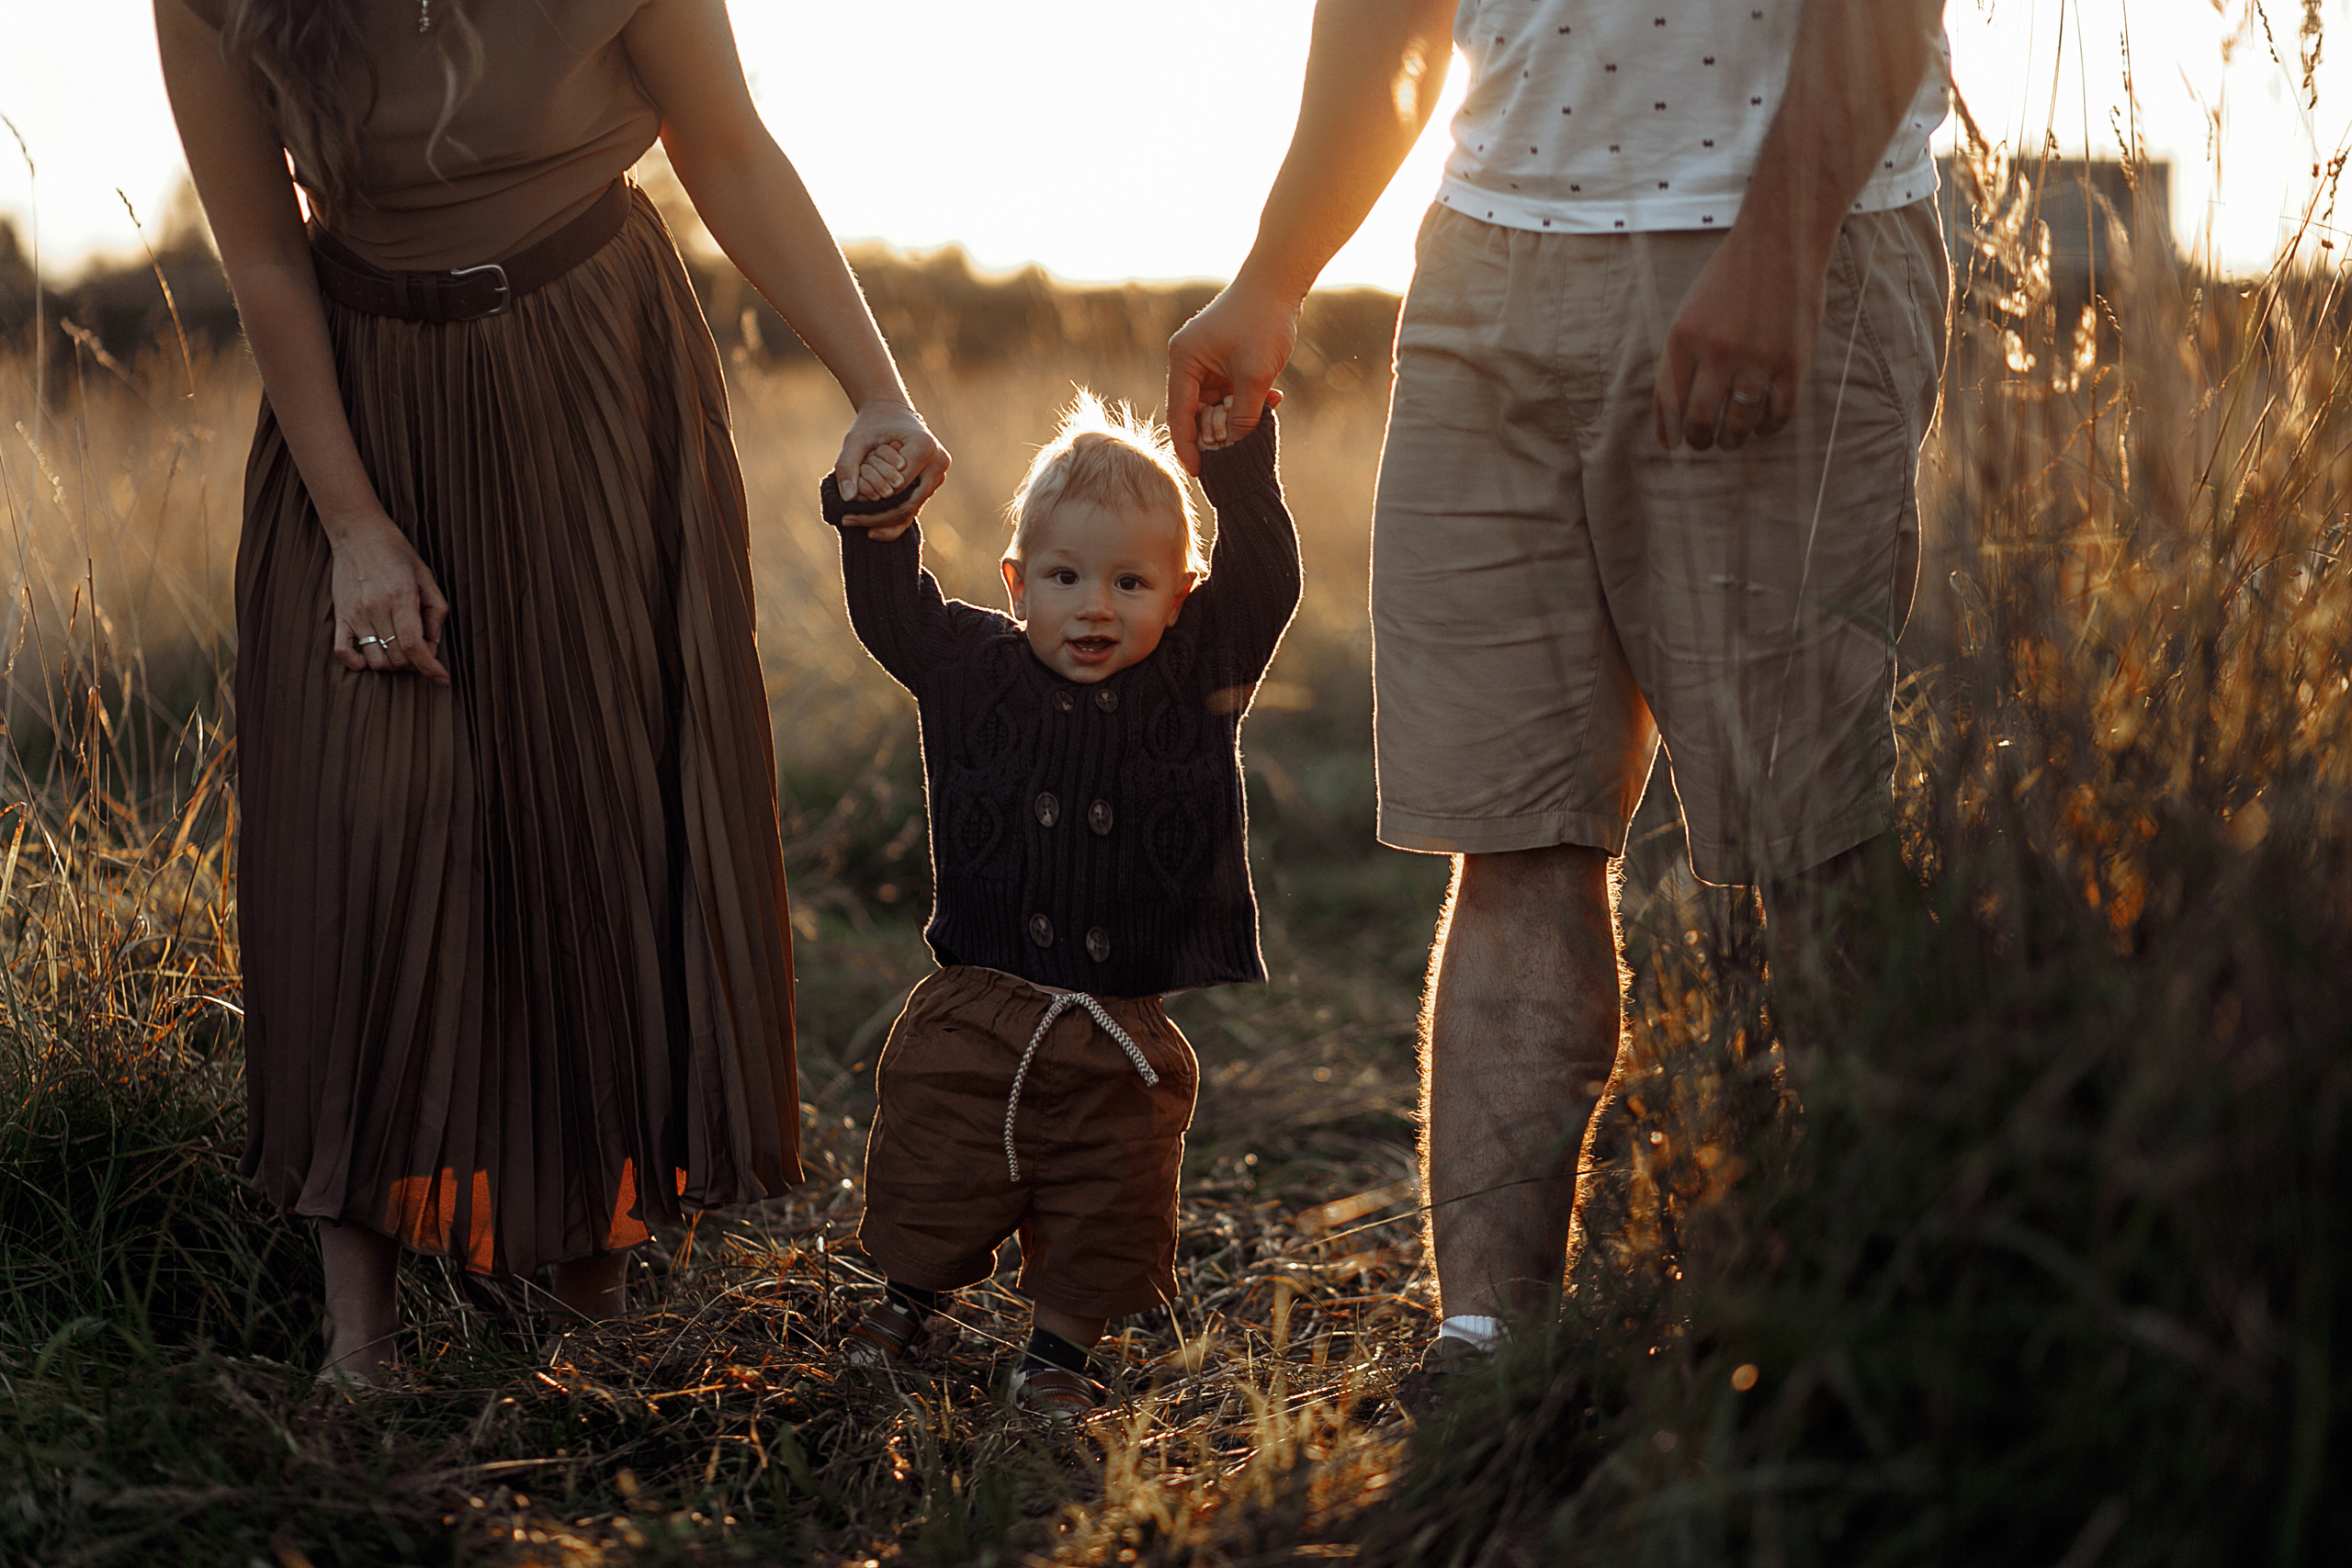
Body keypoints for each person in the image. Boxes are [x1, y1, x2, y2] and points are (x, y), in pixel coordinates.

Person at [1167, 0, 1951, 1406]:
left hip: (1780, 236)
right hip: (1487, 263)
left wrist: (1777, 252)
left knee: (1803, 835)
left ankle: (1849, 1316)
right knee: (1511, 827)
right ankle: (1487, 1349)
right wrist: (1275, 270)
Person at [154, 0, 950, 1384]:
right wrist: (353, 527)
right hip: (360, 400)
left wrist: (877, 386)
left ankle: (594, 1320)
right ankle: (361, 1344)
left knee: (593, 801)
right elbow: (266, 259)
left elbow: (728, 148)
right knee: (361, 833)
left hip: (592, 368)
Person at [820, 393, 1300, 1419]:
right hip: (977, 1002)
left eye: (1132, 583)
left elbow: (1266, 577)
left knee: (1110, 1197)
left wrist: (1238, 465)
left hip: (1120, 1023)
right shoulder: (970, 670)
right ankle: (907, 1299)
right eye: (1065, 577)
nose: (1095, 607)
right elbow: (889, 611)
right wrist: (881, 520)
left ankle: (1059, 1354)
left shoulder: (1195, 671)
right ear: (1017, 584)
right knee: (935, 1156)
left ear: (1181, 593)